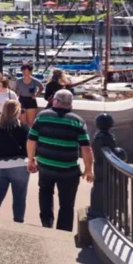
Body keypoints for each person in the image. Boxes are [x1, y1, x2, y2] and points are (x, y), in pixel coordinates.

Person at [27, 89, 93, 231]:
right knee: (67, 204)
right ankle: (63, 231)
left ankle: (46, 222)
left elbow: (31, 140)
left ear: (55, 101)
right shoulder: (77, 121)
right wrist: (88, 169)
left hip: (45, 166)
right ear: (70, 104)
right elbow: (86, 148)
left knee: (45, 194)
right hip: (68, 169)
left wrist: (31, 159)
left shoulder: (42, 117)